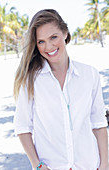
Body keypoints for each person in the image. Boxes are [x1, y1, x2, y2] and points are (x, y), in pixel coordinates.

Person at [13, 9, 108, 170]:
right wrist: (37, 165)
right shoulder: (29, 81)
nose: (48, 46)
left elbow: (98, 123)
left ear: (65, 33)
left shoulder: (89, 74)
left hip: (90, 165)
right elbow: (23, 127)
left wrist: (105, 165)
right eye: (41, 41)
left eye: (53, 37)